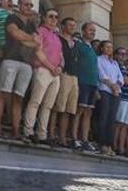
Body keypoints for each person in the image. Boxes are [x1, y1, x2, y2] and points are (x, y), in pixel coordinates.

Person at [0, 0, 38, 139]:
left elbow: (37, 43)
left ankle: (15, 130)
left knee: (19, 97)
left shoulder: (32, 25)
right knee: (2, 93)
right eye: (26, 4)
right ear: (19, 5)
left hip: (27, 63)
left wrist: (26, 38)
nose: (29, 7)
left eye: (31, 5)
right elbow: (14, 33)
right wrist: (29, 38)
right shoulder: (11, 18)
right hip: (11, 59)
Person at [23, 8, 64, 144]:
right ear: (44, 18)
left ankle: (42, 134)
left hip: (55, 74)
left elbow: (61, 56)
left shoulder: (57, 37)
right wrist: (51, 67)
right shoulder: (40, 31)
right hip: (42, 69)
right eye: (51, 16)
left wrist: (59, 67)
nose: (53, 20)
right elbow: (38, 51)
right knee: (35, 101)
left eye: (56, 17)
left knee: (48, 105)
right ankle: (28, 131)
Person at [51, 17, 80, 147]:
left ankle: (62, 136)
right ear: (63, 26)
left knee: (69, 109)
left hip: (74, 77)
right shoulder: (58, 38)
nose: (72, 27)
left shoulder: (75, 42)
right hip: (64, 74)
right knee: (58, 107)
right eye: (70, 25)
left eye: (74, 25)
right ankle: (51, 133)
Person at [73, 22, 99, 152]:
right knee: (79, 111)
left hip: (93, 84)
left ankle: (85, 140)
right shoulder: (78, 45)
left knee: (88, 113)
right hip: (82, 81)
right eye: (90, 30)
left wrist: (97, 86)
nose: (93, 32)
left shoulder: (93, 50)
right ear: (83, 31)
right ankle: (74, 138)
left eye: (94, 30)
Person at [95, 41, 122, 155]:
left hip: (115, 93)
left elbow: (120, 77)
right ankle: (102, 143)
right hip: (105, 90)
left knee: (111, 120)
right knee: (103, 117)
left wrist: (117, 86)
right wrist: (112, 86)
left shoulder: (115, 63)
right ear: (102, 48)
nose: (110, 49)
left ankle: (109, 144)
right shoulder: (99, 59)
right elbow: (101, 75)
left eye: (111, 47)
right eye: (107, 47)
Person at [113, 50, 128, 156]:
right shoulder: (120, 69)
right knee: (119, 123)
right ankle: (114, 144)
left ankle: (121, 146)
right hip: (123, 99)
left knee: (126, 125)